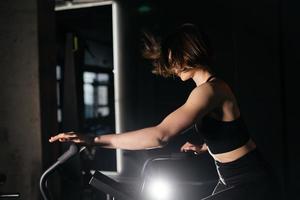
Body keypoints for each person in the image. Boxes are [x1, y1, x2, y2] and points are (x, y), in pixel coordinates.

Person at [49, 24, 277, 199]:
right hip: (234, 179)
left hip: (248, 182)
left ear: (186, 53)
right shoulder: (210, 89)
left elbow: (160, 135)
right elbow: (232, 132)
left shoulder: (209, 90)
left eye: (173, 58)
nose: (171, 65)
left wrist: (93, 140)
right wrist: (205, 147)